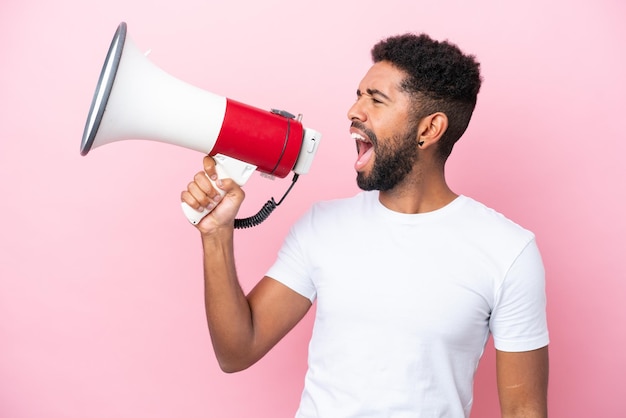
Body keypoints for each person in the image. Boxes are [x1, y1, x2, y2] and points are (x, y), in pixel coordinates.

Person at [181, 33, 549, 418]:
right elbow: (237, 351)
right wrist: (216, 235)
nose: (353, 111)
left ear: (429, 129)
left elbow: (525, 409)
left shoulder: (508, 251)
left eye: (375, 99)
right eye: (358, 95)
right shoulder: (321, 227)